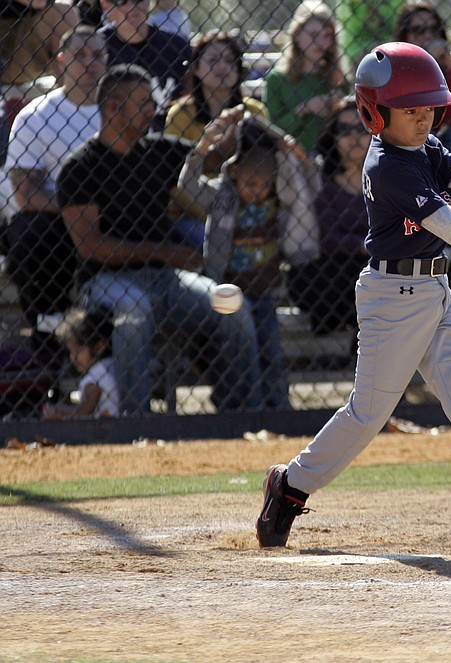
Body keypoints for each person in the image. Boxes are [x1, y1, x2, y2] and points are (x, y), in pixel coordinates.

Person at [255, 42, 451, 557]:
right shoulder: (387, 166)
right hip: (392, 298)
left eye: (428, 109)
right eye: (410, 111)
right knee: (368, 415)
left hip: (434, 290)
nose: (423, 119)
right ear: (374, 113)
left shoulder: (425, 149)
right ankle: (289, 488)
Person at [57, 64, 262, 415]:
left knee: (232, 306)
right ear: (112, 108)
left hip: (167, 279)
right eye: (142, 103)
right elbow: (91, 245)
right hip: (106, 281)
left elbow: (208, 160)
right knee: (134, 311)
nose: (153, 109)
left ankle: (241, 416)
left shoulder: (156, 151)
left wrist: (226, 137)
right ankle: (135, 420)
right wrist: (165, 252)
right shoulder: (80, 167)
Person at [178, 111, 320, 410]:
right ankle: (238, 406)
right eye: (251, 183)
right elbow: (188, 186)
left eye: (264, 184)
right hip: (230, 289)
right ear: (233, 173)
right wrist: (202, 148)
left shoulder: (277, 199)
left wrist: (289, 148)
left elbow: (311, 181)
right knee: (237, 351)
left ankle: (277, 407)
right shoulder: (223, 197)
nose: (257, 191)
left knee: (270, 350)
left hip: (263, 289)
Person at [4, 24, 107, 345]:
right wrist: (77, 210)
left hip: (112, 216)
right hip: (56, 218)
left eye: (97, 55)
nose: (89, 63)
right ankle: (46, 331)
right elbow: (26, 193)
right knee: (31, 232)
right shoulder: (35, 116)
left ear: (108, 60)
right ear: (61, 60)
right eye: (80, 55)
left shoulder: (121, 111)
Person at [164, 29, 271, 245]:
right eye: (213, 60)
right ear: (196, 68)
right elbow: (174, 180)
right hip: (193, 213)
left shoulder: (255, 111)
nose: (223, 67)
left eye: (230, 60)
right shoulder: (181, 115)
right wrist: (217, 213)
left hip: (246, 207)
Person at [287, 97, 371, 340]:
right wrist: (363, 245)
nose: (354, 137)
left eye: (362, 129)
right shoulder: (321, 179)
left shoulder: (386, 178)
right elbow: (328, 237)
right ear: (333, 136)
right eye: (344, 130)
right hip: (334, 269)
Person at [263, 0, 348, 155]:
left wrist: (340, 106)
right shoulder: (277, 79)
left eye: (327, 35)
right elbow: (271, 129)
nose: (321, 42)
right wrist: (305, 109)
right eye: (314, 35)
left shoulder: (338, 77)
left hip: (333, 158)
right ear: (296, 35)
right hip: (292, 158)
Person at [0, 0, 79, 162]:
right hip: (5, 41)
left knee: (63, 12)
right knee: (60, 10)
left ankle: (75, 111)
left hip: (27, 33)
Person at [97, 0, 191, 131]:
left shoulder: (176, 47)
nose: (131, 7)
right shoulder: (95, 49)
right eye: (121, 1)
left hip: (168, 137)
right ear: (105, 4)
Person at [392, 1, 451, 160]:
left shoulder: (449, 66)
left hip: (437, 134)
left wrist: (448, 71)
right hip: (405, 136)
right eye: (418, 30)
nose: (428, 36)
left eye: (434, 29)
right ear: (405, 35)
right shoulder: (393, 67)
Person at [42, 306, 119, 419]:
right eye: (71, 352)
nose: (73, 357)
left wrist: (59, 413)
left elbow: (85, 412)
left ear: (99, 347)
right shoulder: (110, 364)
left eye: (78, 351)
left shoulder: (93, 379)